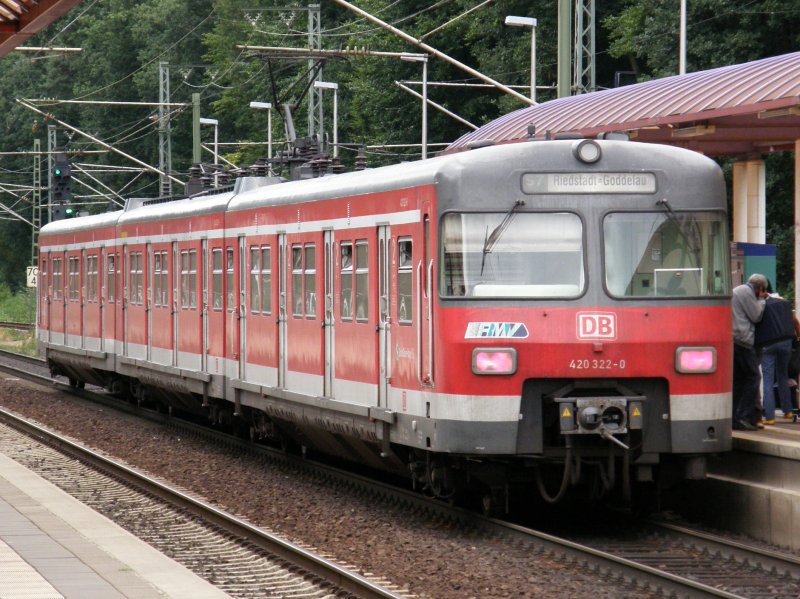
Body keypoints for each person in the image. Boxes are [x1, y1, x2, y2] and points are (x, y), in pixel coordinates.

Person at [754, 282, 795, 425]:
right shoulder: (783, 302)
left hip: (769, 344)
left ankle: (770, 416)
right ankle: (788, 410)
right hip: (785, 342)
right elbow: (794, 321)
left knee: (768, 379)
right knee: (783, 375)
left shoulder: (762, 305)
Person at [731, 273, 768, 430]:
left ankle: (736, 417)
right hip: (743, 339)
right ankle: (743, 416)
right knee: (754, 377)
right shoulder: (747, 292)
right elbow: (756, 316)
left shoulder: (738, 290)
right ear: (759, 287)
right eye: (762, 290)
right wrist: (762, 300)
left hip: (734, 339)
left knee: (739, 380)